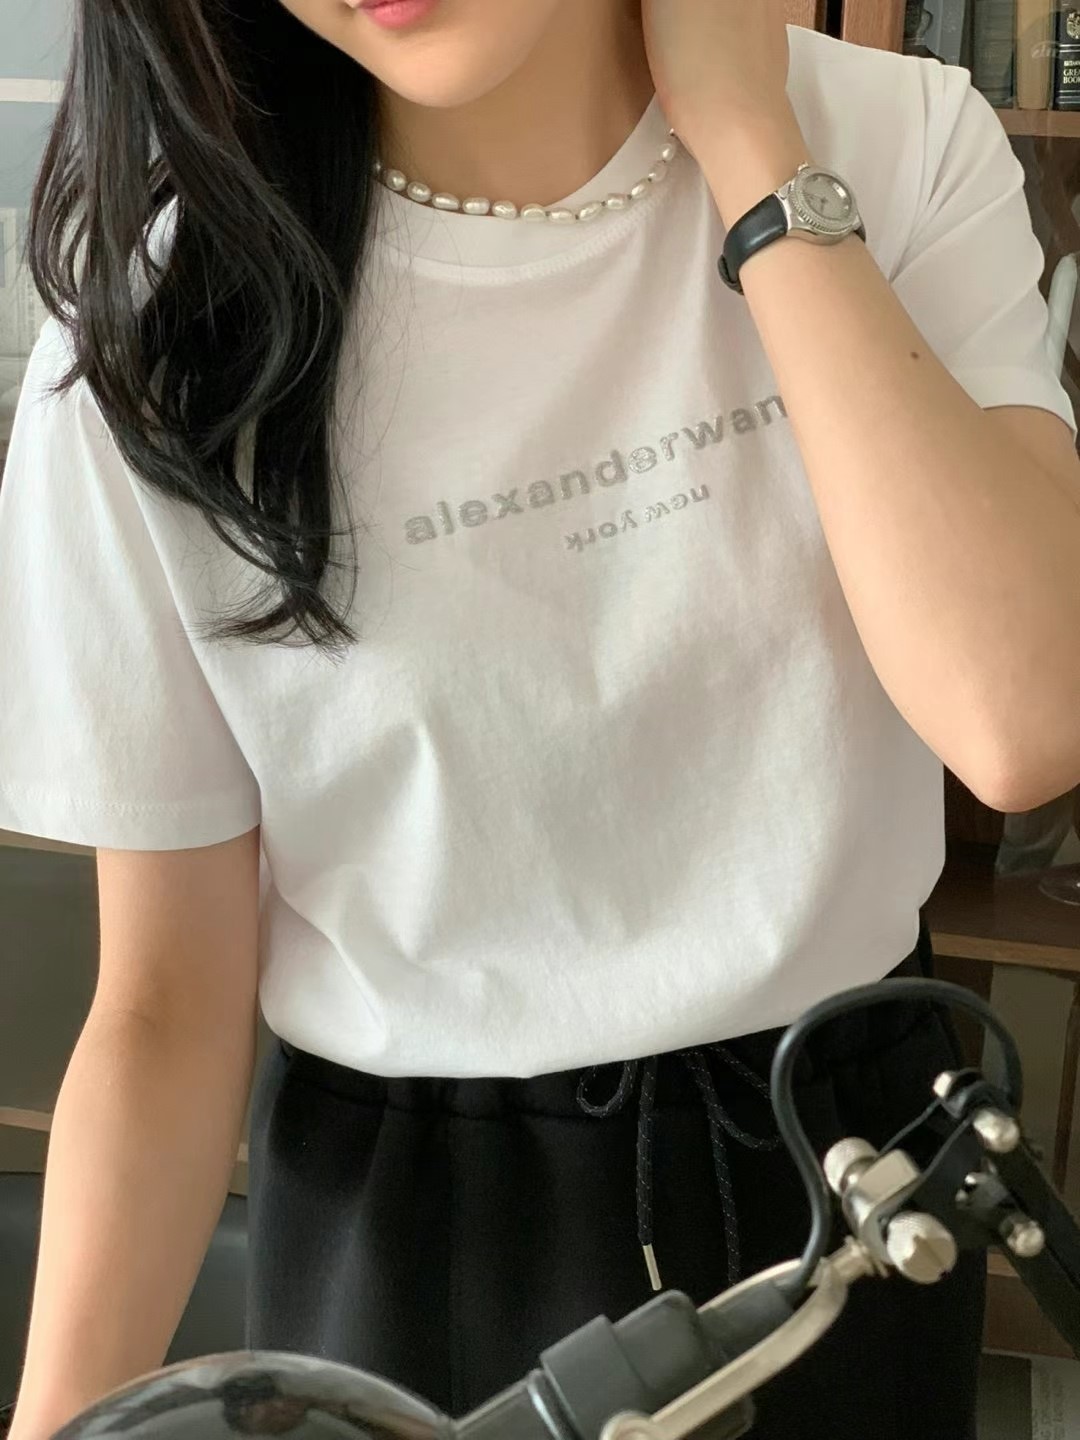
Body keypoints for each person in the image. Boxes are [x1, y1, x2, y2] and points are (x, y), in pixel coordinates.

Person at [2, 2, 1080, 1437]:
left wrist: (750, 142)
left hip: (852, 1162)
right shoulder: (155, 325)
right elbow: (166, 1001)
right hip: (418, 1222)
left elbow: (1018, 718)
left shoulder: (898, 138)